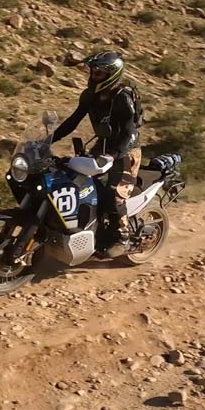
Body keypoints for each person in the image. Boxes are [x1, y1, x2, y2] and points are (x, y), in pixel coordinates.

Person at [51, 51, 142, 257]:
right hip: (102, 147)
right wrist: (48, 139)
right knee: (79, 182)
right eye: (93, 72)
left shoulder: (122, 97)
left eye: (99, 73)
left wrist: (114, 154)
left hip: (126, 151)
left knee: (113, 195)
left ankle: (123, 237)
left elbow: (130, 131)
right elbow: (72, 121)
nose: (94, 76)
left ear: (112, 74)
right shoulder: (89, 96)